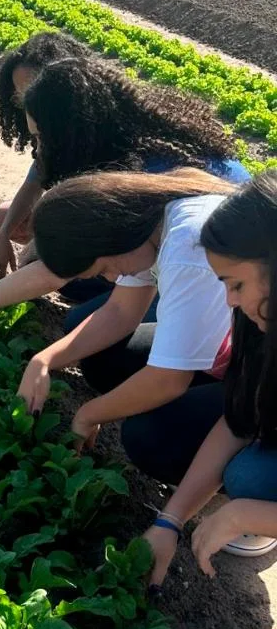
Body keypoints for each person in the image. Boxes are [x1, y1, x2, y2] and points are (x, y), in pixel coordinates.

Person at [0, 57, 251, 323]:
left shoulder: (131, 171)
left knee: (85, 327)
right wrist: (6, 233)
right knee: (64, 262)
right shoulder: (123, 133)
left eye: (40, 136)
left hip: (226, 282)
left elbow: (51, 273)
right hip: (181, 260)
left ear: (70, 130)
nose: (38, 146)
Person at [15, 170, 234, 461]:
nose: (110, 278)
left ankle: (247, 472)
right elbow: (120, 312)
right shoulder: (148, 225)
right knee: (104, 359)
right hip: (233, 348)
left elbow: (169, 380)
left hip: (261, 373)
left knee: (150, 435)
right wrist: (43, 360)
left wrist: (87, 415)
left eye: (103, 269)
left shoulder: (187, 250)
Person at [143, 171, 277, 586]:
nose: (230, 301)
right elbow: (240, 416)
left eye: (236, 284)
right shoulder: (260, 326)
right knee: (151, 434)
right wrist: (170, 520)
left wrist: (245, 513)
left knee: (250, 480)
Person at [0, 31, 92, 279]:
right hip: (86, 228)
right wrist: (2, 237)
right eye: (21, 95)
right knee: (6, 217)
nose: (30, 103)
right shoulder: (49, 136)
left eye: (34, 90)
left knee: (51, 268)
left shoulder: (93, 129)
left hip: (122, 240)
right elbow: (34, 182)